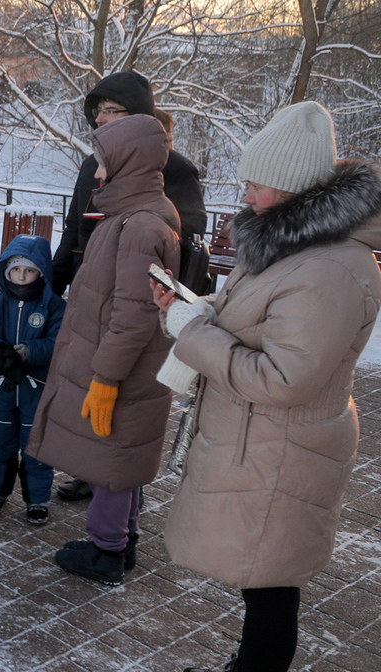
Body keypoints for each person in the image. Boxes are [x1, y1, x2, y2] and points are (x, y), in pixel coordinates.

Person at [152, 102, 381, 672]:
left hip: (281, 449)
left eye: (257, 184)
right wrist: (195, 308)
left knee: (271, 583)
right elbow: (253, 318)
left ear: (293, 189)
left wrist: (195, 331)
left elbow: (283, 377)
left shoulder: (331, 269)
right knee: (265, 580)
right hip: (263, 444)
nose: (247, 195)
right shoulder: (291, 245)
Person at [25, 112, 181, 586]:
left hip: (120, 369)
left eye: (103, 163)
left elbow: (133, 316)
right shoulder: (135, 217)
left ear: (128, 163)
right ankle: (122, 539)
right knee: (122, 456)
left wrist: (106, 378)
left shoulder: (139, 226)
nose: (96, 173)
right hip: (127, 365)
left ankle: (106, 550)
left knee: (111, 458)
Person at [50, 71, 206, 503]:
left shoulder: (172, 170)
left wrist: (170, 311)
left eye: (112, 111)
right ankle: (90, 472)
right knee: (90, 394)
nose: (101, 120)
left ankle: (116, 512)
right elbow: (74, 232)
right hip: (91, 297)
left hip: (137, 309)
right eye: (97, 112)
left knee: (121, 401)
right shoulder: (93, 164)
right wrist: (50, 287)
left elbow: (185, 248)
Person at [0, 235, 66, 524]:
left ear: (41, 273)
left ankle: (37, 498)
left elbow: (59, 342)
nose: (21, 277)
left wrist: (27, 353)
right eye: (15, 270)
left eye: (29, 270)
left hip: (38, 389)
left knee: (37, 446)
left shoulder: (54, 306)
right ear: (5, 270)